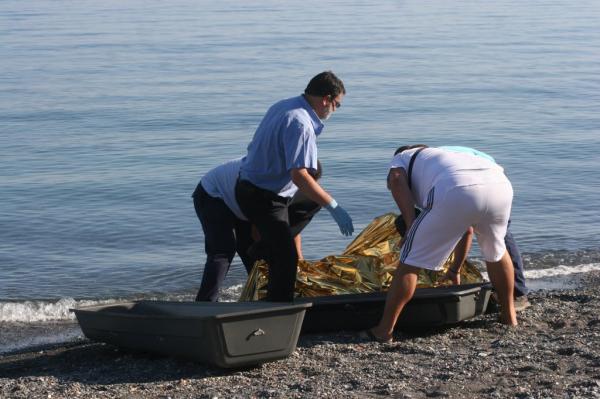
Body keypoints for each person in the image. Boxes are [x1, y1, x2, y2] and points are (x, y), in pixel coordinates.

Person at [368, 145, 517, 343]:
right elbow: (466, 229)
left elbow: (396, 180)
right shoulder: (447, 155)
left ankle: (384, 330)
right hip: (500, 186)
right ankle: (509, 317)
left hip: (456, 187)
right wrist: (454, 270)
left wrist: (412, 224)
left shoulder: (402, 157)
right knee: (496, 251)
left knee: (410, 260)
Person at [235, 71, 354, 302]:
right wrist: (334, 206)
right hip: (263, 196)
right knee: (286, 259)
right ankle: (279, 309)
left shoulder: (284, 105)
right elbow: (300, 175)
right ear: (326, 99)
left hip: (253, 185)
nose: (335, 111)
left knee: (311, 200)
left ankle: (266, 245)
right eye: (337, 105)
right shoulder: (302, 124)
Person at [192, 158, 322, 302]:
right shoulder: (274, 182)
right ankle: (205, 302)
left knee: (251, 250)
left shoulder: (293, 185)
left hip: (238, 198)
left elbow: (287, 228)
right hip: (213, 194)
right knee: (223, 250)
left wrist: (299, 260)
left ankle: (256, 296)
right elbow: (257, 231)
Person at [438, 146, 530, 311]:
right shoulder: (439, 156)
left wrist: (454, 268)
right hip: (495, 179)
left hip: (482, 178)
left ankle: (516, 293)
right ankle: (513, 290)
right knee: (499, 234)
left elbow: (465, 230)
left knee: (498, 236)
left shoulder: (418, 166)